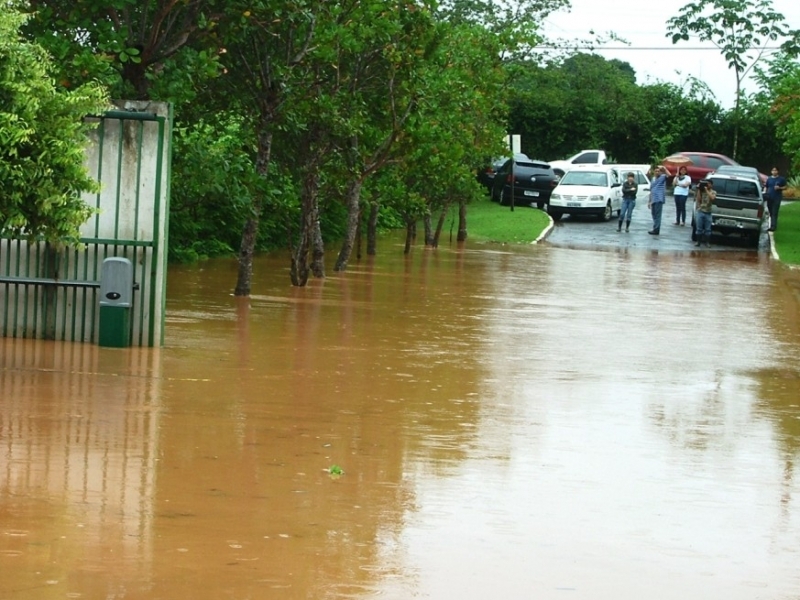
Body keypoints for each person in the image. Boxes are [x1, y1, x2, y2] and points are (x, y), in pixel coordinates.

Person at [763, 167, 788, 232]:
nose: (774, 171)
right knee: (771, 211)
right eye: (773, 170)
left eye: (775, 170)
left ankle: (773, 226)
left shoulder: (781, 179)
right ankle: (772, 224)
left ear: (778, 171)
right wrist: (765, 193)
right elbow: (766, 186)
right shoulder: (769, 179)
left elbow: (785, 187)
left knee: (774, 212)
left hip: (777, 198)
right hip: (769, 198)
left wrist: (779, 188)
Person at [694, 179, 715, 247]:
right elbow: (699, 200)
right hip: (701, 211)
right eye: (706, 183)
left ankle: (707, 242)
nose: (707, 185)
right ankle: (698, 241)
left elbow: (712, 198)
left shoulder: (713, 192)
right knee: (699, 228)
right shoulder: (701, 191)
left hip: (708, 212)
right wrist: (699, 189)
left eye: (709, 184)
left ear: (711, 185)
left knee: (707, 229)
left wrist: (706, 190)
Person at [648, 166, 667, 235]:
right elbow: (651, 190)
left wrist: (664, 169)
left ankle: (656, 229)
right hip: (653, 198)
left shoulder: (662, 177)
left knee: (658, 215)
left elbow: (669, 175)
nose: (657, 172)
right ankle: (655, 227)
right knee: (653, 214)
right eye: (656, 171)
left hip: (659, 198)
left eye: (658, 171)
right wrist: (649, 201)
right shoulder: (653, 179)